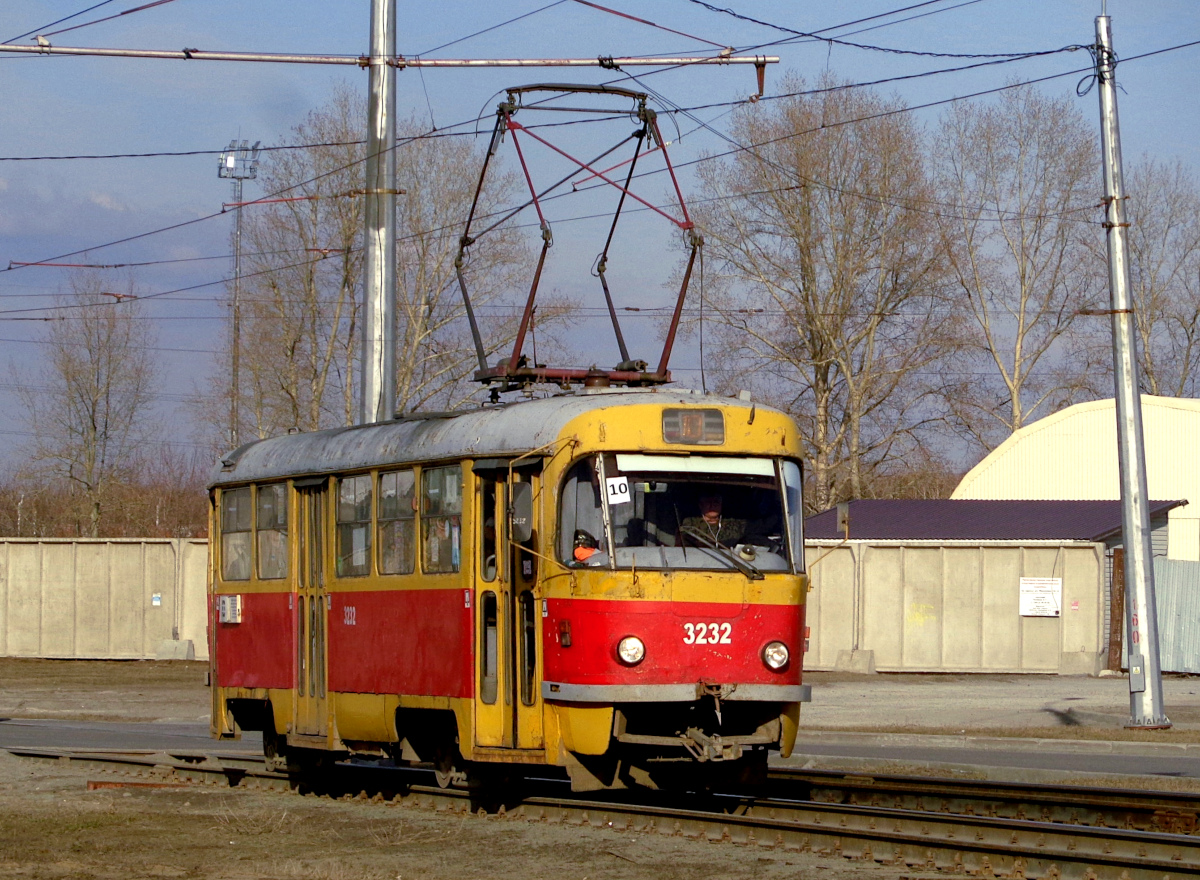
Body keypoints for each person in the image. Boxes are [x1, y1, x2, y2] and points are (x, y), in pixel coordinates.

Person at [680, 493, 746, 548]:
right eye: (708, 502)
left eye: (716, 502)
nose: (712, 505)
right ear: (701, 505)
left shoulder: (734, 524)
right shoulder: (690, 524)